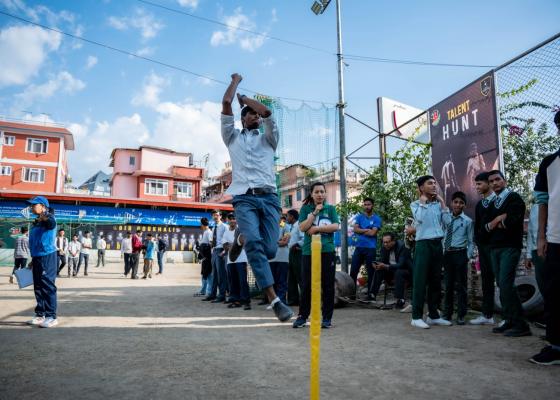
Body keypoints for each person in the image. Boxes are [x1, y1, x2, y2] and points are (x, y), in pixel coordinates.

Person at [220, 72, 293, 322]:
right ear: (243, 118)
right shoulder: (231, 137)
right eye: (251, 113)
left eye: (257, 113)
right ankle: (274, 300)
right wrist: (235, 82)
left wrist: (248, 99)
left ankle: (241, 236)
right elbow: (226, 104)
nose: (256, 115)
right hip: (244, 198)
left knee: (270, 249)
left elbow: (268, 113)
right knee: (254, 244)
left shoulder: (269, 138)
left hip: (270, 199)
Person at [484, 170, 531, 337]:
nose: (495, 183)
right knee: (502, 285)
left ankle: (521, 324)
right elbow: (486, 228)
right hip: (495, 248)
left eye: (498, 179)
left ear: (505, 180)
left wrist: (497, 222)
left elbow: (511, 222)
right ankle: (509, 320)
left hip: (510, 247)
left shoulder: (514, 198)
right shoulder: (492, 202)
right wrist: (497, 220)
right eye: (491, 181)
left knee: (506, 284)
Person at [530, 113, 560, 364]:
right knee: (554, 292)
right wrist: (541, 236)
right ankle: (556, 346)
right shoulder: (550, 163)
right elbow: (543, 202)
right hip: (556, 238)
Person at [293, 182, 340, 329]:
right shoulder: (306, 209)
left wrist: (317, 228)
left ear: (325, 194)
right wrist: (314, 213)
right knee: (307, 285)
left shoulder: (331, 209)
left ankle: (326, 318)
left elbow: (335, 226)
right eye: (317, 192)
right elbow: (302, 227)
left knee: (327, 285)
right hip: (309, 252)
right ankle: (302, 316)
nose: (320, 194)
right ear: (312, 194)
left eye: (322, 192)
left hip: (327, 251)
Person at [407, 175, 452, 329]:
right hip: (423, 245)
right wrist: (423, 202)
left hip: (437, 244)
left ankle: (433, 315)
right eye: (430, 183)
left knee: (435, 281)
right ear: (421, 188)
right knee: (420, 281)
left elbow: (448, 223)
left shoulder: (438, 205)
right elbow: (418, 219)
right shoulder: (415, 204)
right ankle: (416, 317)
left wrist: (443, 203)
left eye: (434, 183)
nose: (434, 186)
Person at [441, 191, 474, 325]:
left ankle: (461, 315)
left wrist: (467, 256)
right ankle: (447, 314)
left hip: (460, 254)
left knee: (461, 286)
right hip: (447, 254)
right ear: (451, 203)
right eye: (455, 202)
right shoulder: (446, 218)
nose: (458, 205)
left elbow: (471, 241)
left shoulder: (468, 221)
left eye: (461, 203)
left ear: (464, 205)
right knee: (448, 285)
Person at [26, 196, 58, 328]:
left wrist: (46, 216)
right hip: (38, 257)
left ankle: (51, 316)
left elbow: (51, 223)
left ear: (43, 206)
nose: (32, 207)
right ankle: (40, 315)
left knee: (47, 286)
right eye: (31, 205)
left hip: (47, 256)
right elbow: (36, 241)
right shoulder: (37, 222)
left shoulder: (48, 218)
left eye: (34, 205)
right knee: (38, 287)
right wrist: (33, 259)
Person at [470, 172, 497, 325]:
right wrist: (478, 244)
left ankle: (508, 317)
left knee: (502, 280)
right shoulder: (480, 204)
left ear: (488, 183)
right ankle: (487, 316)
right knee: (486, 280)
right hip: (483, 247)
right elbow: (478, 226)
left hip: (497, 247)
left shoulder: (499, 201)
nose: (477, 187)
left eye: (479, 184)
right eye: (476, 184)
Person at [349, 197, 382, 300]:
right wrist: (367, 229)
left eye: (369, 204)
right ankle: (352, 294)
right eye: (365, 204)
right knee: (353, 271)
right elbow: (355, 229)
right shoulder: (359, 217)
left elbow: (373, 233)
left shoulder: (377, 218)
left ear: (373, 206)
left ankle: (371, 294)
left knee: (371, 272)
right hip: (359, 247)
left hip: (370, 248)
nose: (367, 206)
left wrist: (361, 230)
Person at [370, 232, 412, 309]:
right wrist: (377, 264)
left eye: (387, 242)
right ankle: (372, 295)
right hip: (391, 271)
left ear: (393, 241)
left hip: (405, 272)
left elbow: (401, 265)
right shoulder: (384, 247)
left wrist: (385, 266)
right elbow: (382, 260)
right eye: (384, 242)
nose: (385, 244)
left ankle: (400, 299)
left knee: (399, 272)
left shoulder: (402, 246)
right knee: (379, 270)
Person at [222, 213, 251, 310]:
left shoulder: (241, 231)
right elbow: (225, 246)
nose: (232, 220)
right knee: (233, 281)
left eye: (234, 218)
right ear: (227, 220)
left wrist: (233, 245)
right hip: (230, 261)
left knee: (243, 281)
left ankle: (246, 301)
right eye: (230, 219)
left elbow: (243, 244)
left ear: (237, 220)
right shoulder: (226, 232)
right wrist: (235, 246)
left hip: (241, 259)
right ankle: (235, 300)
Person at [204, 210, 228, 302]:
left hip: (221, 250)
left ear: (220, 216)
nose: (215, 217)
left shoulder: (225, 226)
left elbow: (227, 239)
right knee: (214, 274)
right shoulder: (213, 228)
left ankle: (222, 295)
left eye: (217, 215)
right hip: (214, 251)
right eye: (214, 215)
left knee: (221, 274)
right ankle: (213, 294)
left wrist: (224, 252)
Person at [268, 217, 291, 304]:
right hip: (270, 259)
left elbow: (285, 242)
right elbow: (266, 242)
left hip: (283, 258)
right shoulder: (269, 226)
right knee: (272, 281)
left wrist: (273, 242)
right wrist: (279, 241)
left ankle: (282, 302)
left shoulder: (285, 226)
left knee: (282, 281)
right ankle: (274, 303)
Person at [287, 209, 304, 306]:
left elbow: (304, 238)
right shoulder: (292, 227)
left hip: (298, 253)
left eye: (288, 216)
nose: (287, 218)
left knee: (300, 276)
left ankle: (305, 299)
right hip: (292, 253)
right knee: (291, 277)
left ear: (292, 217)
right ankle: (293, 300)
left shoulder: (299, 225)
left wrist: (297, 244)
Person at [198, 218, 213, 296]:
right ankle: (203, 290)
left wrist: (209, 256)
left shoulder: (209, 232)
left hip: (208, 257)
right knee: (204, 273)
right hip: (205, 257)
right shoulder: (205, 232)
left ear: (202, 224)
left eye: (200, 224)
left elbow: (211, 244)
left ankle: (209, 292)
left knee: (208, 274)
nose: (200, 225)